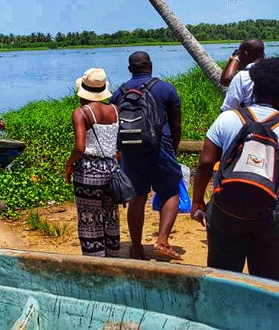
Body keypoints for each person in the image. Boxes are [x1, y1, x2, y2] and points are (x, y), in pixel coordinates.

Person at [192, 57, 279, 280]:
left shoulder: (228, 118)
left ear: (255, 87)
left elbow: (205, 164)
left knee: (223, 276)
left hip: (226, 209)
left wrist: (198, 200)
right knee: (269, 279)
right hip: (271, 214)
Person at [111, 51, 183, 261]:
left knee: (137, 197)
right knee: (170, 192)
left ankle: (135, 247)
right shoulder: (166, 88)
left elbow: (116, 124)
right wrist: (174, 149)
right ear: (150, 66)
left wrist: (120, 151)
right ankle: (162, 241)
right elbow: (176, 123)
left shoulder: (119, 92)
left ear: (130, 69)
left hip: (131, 151)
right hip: (161, 146)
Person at [65, 68, 120, 257]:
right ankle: (112, 260)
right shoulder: (114, 110)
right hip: (112, 171)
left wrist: (69, 164)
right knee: (111, 217)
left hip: (88, 173)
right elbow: (118, 145)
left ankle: (94, 263)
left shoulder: (80, 113)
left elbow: (80, 148)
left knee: (89, 219)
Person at [220, 38, 265, 111]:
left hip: (253, 119)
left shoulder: (243, 76)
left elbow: (227, 109)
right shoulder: (273, 70)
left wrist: (235, 59)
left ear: (245, 54)